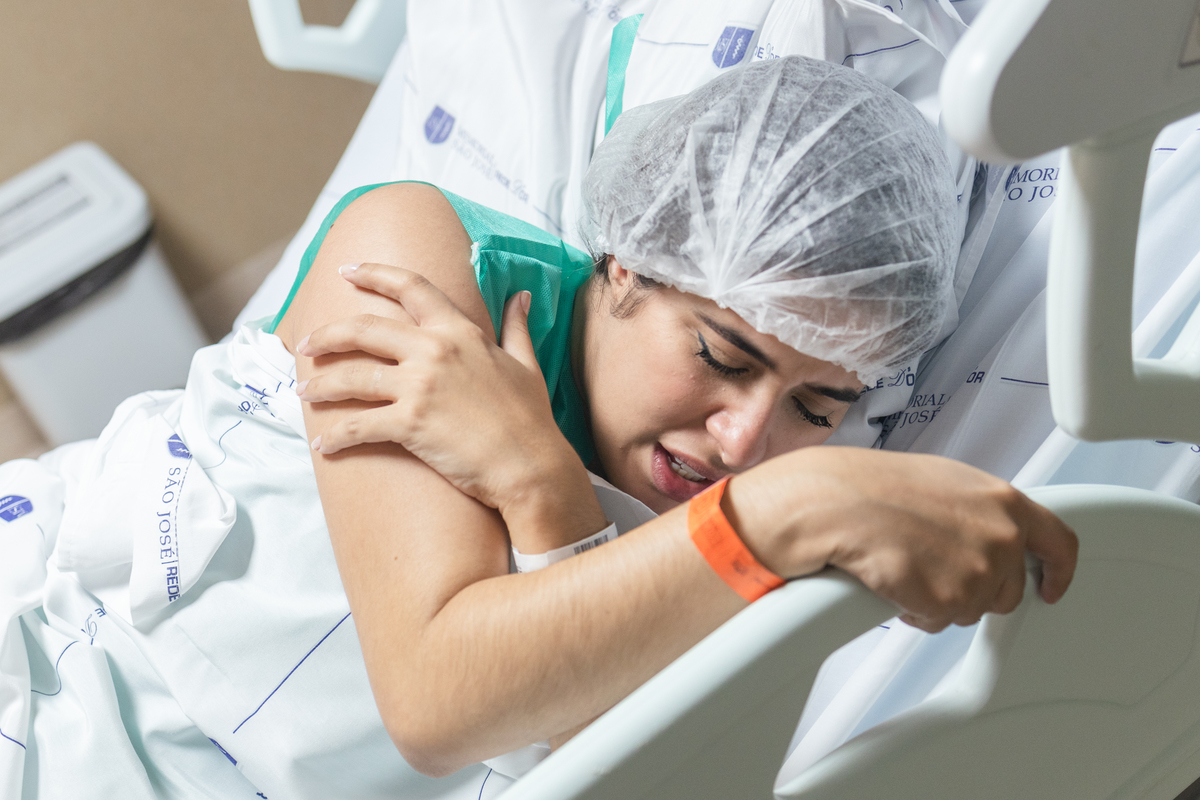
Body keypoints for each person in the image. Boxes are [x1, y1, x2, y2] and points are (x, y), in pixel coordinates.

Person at [0, 56, 1075, 800]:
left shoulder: (750, 555)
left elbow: (616, 769)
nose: (744, 440)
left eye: (815, 406)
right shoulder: (421, 255)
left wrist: (545, 494)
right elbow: (437, 698)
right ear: (627, 264)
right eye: (723, 355)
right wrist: (792, 506)